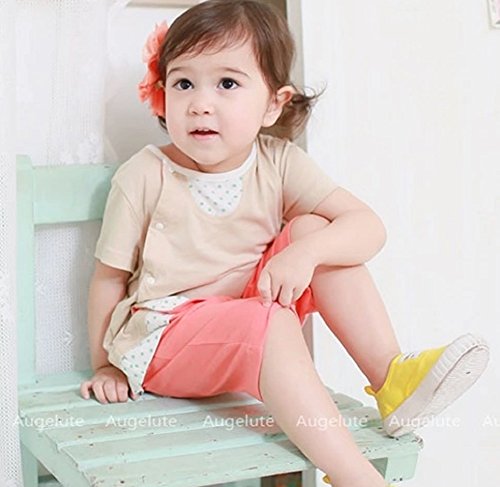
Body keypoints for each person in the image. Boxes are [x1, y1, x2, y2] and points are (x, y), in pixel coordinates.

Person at [80, 1, 489, 486]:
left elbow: (368, 227)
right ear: (162, 91)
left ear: (274, 103)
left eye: (226, 83)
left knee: (317, 230)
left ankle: (390, 379)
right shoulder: (146, 174)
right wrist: (105, 365)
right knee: (271, 315)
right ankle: (356, 477)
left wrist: (306, 253)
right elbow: (108, 279)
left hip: (247, 317)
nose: (200, 103)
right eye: (183, 83)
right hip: (164, 339)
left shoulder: (277, 161)